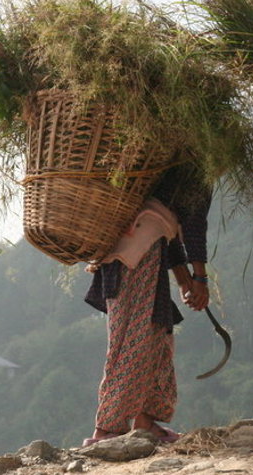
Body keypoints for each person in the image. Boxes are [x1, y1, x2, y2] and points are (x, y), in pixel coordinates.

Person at [82, 164, 212, 446]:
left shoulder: (163, 166)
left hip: (142, 246)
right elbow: (192, 226)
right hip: (138, 248)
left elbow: (172, 230)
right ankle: (108, 428)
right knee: (133, 339)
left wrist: (183, 280)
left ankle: (146, 421)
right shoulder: (197, 166)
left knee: (157, 333)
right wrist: (199, 277)